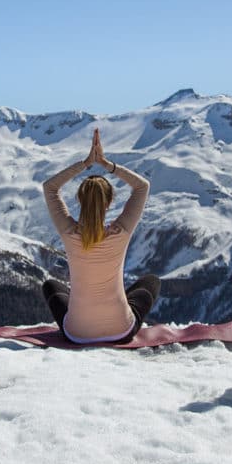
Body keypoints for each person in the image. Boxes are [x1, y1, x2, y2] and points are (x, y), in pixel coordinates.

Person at [41, 128, 160, 344]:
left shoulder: (69, 232)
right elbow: (142, 187)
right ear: (110, 201)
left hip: (76, 333)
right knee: (149, 282)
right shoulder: (121, 232)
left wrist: (86, 163)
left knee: (51, 286)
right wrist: (107, 164)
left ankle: (85, 317)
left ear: (79, 200)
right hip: (121, 330)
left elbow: (50, 188)